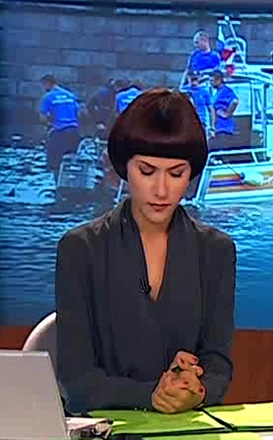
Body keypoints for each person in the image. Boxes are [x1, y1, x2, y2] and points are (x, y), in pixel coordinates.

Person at [55, 89, 236, 414]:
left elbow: (217, 362)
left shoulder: (216, 251)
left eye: (176, 174)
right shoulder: (81, 248)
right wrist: (151, 395)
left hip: (187, 426)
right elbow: (76, 378)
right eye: (147, 171)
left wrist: (197, 390)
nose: (161, 190)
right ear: (125, 168)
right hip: (106, 426)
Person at [39, 74, 80, 176]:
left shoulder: (47, 97)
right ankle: (69, 182)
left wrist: (50, 123)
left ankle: (57, 183)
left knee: (55, 164)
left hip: (59, 133)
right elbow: (78, 113)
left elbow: (42, 118)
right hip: (74, 132)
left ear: (46, 83)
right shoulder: (70, 95)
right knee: (70, 162)